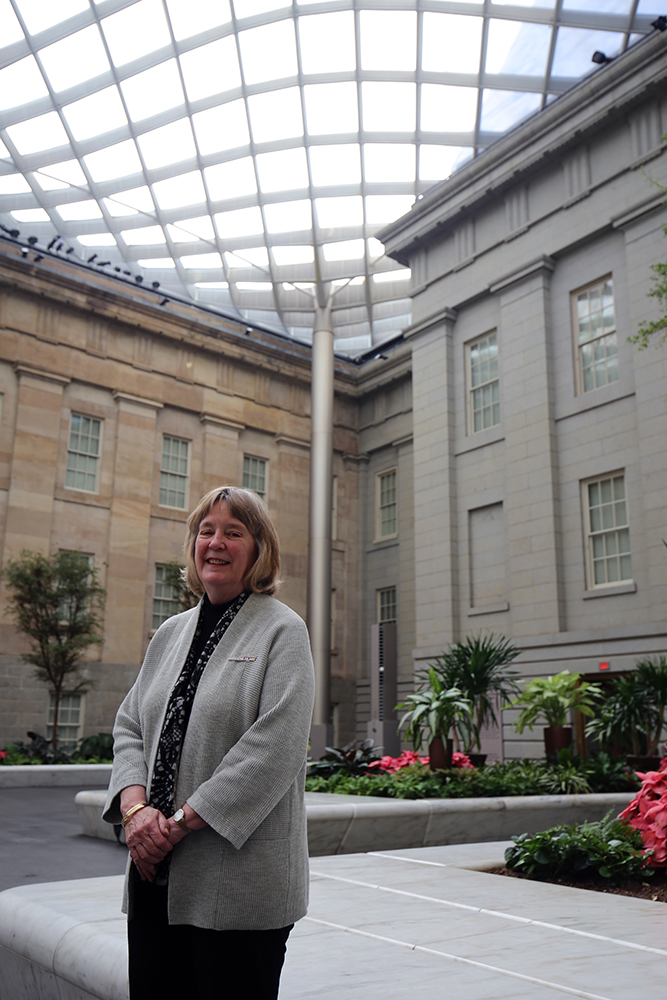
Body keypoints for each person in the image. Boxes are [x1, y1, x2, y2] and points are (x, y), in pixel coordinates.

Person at [103, 486, 315, 1000]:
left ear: (259, 548)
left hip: (238, 890)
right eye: (206, 531)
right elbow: (130, 724)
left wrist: (171, 827)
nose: (215, 543)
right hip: (155, 880)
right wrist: (135, 816)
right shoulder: (170, 633)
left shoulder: (283, 631)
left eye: (233, 532)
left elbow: (273, 748)